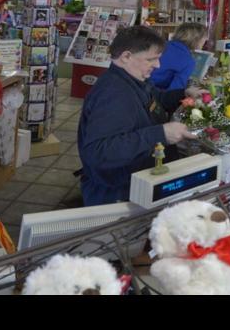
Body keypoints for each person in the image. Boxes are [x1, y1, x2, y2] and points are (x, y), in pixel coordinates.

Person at [78, 26, 193, 205]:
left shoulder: (135, 78)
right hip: (117, 193)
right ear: (126, 57)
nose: (158, 65)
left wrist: (184, 94)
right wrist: (161, 134)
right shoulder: (114, 94)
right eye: (151, 59)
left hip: (137, 180)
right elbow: (99, 152)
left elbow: (156, 100)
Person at [149, 22, 208, 115]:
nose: (205, 43)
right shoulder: (188, 60)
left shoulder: (163, 44)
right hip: (153, 98)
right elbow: (174, 93)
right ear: (197, 39)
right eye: (204, 40)